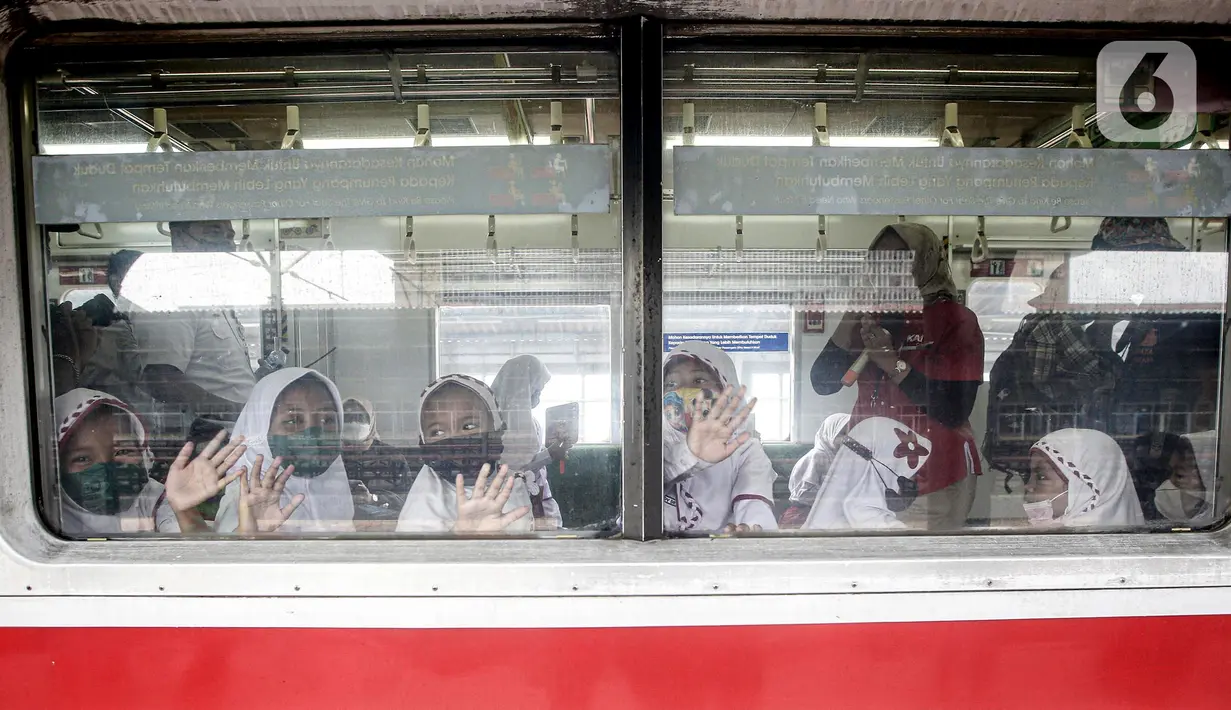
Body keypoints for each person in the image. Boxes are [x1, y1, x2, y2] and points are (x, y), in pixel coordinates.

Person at [811, 223, 984, 530]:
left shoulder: (955, 320)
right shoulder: (872, 315)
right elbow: (822, 382)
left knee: (920, 567)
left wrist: (891, 363)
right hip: (869, 466)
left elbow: (954, 409)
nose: (887, 270)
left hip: (933, 470)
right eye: (878, 261)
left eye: (900, 260)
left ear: (924, 261)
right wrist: (853, 311)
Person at [984, 262, 1119, 477]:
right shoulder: (1059, 325)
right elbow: (1099, 380)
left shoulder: (1034, 322)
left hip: (1033, 433)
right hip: (1053, 432)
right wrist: (1103, 330)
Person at [131, 220, 255, 428]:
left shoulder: (210, 294)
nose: (227, 245)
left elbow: (219, 376)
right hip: (208, 437)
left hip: (236, 432)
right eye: (214, 233)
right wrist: (236, 412)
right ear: (179, 238)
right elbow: (161, 379)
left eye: (230, 237)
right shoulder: (169, 293)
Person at [214, 367, 353, 533]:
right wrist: (254, 534)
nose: (313, 433)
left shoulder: (334, 489)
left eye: (328, 419)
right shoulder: (248, 501)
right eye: (293, 420)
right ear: (261, 428)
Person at [662, 341, 777, 534]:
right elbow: (641, 490)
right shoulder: (651, 440)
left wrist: (751, 528)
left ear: (725, 388)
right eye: (671, 384)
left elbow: (754, 504)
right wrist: (690, 455)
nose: (682, 392)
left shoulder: (744, 449)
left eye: (698, 381)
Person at [396, 374, 532, 534]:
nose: (455, 440)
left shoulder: (512, 483)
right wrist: (460, 534)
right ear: (423, 442)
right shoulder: (423, 506)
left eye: (469, 426)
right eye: (438, 432)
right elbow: (414, 555)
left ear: (497, 428)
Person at [802, 417, 931, 531]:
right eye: (906, 473)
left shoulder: (829, 518)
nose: (913, 480)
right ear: (882, 469)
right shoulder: (881, 527)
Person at [490, 355, 568, 529]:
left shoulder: (532, 421)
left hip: (538, 494)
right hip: (512, 504)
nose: (538, 395)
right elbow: (513, 471)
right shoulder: (496, 425)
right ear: (522, 388)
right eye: (536, 389)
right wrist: (549, 454)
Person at [1023, 429, 1145, 528]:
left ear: (1085, 486)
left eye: (1041, 476)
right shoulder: (1055, 535)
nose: (1028, 486)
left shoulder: (1091, 548)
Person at [78, 250, 151, 415]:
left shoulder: (139, 321)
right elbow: (149, 379)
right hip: (117, 418)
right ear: (117, 282)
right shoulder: (111, 328)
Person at [341, 396, 412, 517]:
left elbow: (408, 498)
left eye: (360, 418)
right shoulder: (332, 457)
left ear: (371, 421)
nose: (353, 423)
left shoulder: (392, 457)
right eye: (347, 419)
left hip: (382, 530)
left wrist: (373, 499)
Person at [780, 413, 850, 528]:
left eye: (849, 433)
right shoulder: (818, 456)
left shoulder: (840, 459)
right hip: (804, 514)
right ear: (830, 433)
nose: (846, 438)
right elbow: (803, 494)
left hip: (826, 514)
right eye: (842, 433)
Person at [1152, 430, 1218, 526]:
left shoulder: (1222, 501)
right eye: (1170, 471)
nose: (1173, 480)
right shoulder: (1166, 496)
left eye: (1180, 474)